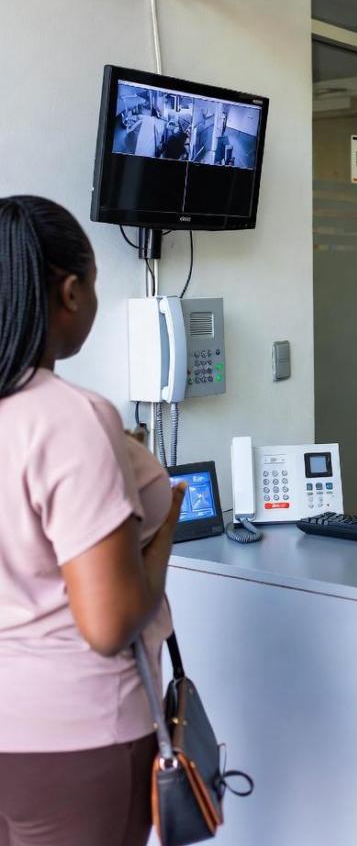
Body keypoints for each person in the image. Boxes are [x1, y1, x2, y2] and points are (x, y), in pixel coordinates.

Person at [0, 195, 186, 846]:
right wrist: (163, 533)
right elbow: (108, 624)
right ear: (71, 291)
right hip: (74, 740)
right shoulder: (67, 415)